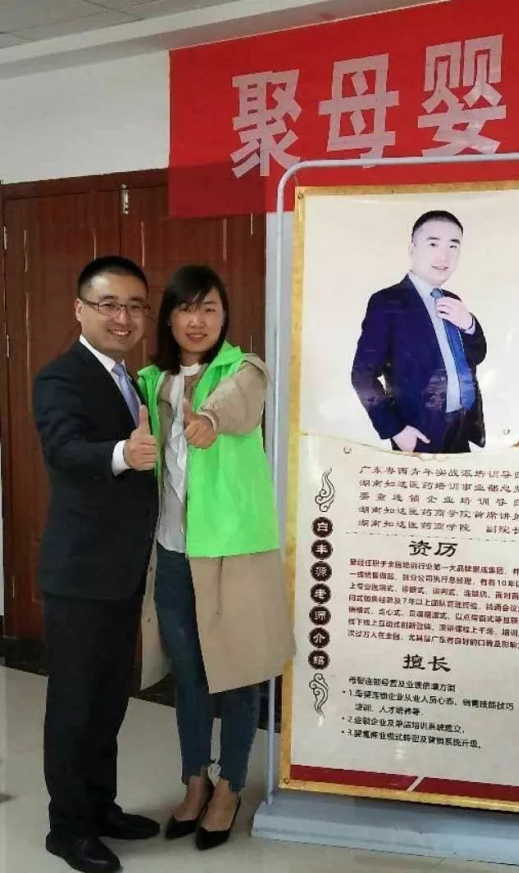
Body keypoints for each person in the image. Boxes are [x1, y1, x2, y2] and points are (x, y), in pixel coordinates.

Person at [137, 264, 295, 852]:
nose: (197, 320)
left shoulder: (245, 370)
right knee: (191, 675)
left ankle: (230, 786)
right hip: (174, 551)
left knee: (240, 672)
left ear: (225, 316)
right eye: (186, 308)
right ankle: (195, 780)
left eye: (209, 308)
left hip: (234, 549)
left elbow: (235, 406)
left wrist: (207, 419)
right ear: (169, 318)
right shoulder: (152, 381)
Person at [33, 256, 160, 873]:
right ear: (80, 309)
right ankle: (69, 828)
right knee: (75, 705)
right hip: (80, 574)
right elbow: (63, 450)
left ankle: (101, 807)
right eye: (109, 304)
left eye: (135, 306)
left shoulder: (128, 378)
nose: (123, 318)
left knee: (109, 699)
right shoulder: (62, 376)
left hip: (120, 571)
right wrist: (121, 453)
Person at [351, 210, 487, 454]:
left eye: (453, 246)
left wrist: (469, 325)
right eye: (433, 244)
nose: (443, 256)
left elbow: (476, 356)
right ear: (412, 248)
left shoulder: (453, 300)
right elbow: (362, 376)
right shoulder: (387, 302)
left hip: (462, 427)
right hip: (418, 433)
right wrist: (395, 430)